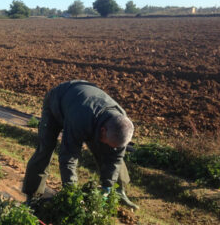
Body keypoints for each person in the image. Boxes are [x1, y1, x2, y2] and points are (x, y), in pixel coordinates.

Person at [22, 80, 139, 210]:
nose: (111, 147)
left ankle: (118, 192)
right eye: (108, 141)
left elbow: (115, 158)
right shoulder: (80, 119)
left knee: (110, 152)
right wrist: (72, 193)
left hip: (86, 108)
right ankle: (32, 195)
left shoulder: (121, 123)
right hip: (58, 103)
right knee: (45, 148)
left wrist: (108, 186)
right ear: (103, 131)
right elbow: (68, 157)